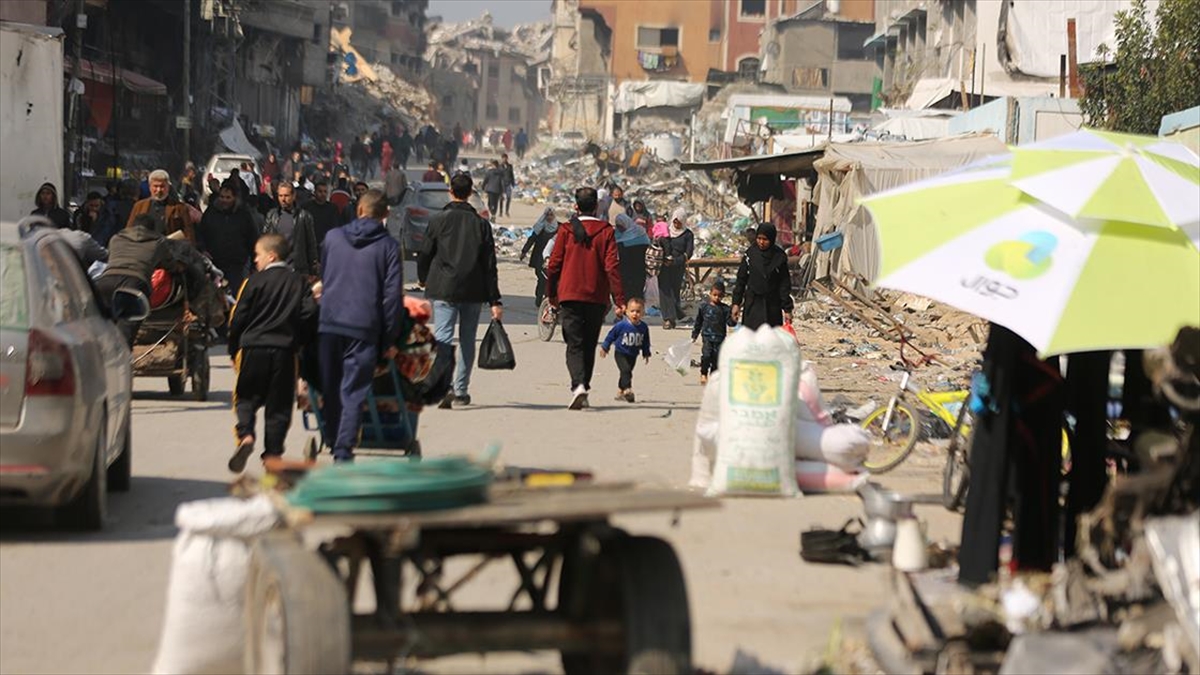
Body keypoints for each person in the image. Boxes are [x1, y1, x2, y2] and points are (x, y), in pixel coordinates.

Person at [317, 189, 403, 463]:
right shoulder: (389, 247)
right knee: (353, 391)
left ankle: (331, 437)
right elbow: (392, 298)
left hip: (329, 323)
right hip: (364, 328)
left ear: (358, 210)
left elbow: (325, 277)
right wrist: (388, 339)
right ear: (386, 215)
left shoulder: (332, 238)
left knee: (330, 387)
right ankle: (342, 450)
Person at [226, 233, 319, 472]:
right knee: (279, 407)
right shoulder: (299, 283)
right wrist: (299, 341)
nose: (255, 261)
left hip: (252, 349)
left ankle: (246, 435)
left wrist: (233, 347)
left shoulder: (253, 282)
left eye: (257, 255)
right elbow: (310, 314)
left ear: (271, 255)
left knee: (245, 398)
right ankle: (273, 456)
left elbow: (237, 318)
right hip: (284, 352)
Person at [417, 173, 503, 409]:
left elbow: (425, 253)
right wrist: (495, 299)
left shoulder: (438, 220)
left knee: (443, 338)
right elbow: (489, 265)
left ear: (451, 192)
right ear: (470, 194)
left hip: (443, 289)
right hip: (473, 291)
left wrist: (424, 279)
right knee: (467, 340)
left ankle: (445, 386)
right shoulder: (481, 224)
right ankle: (461, 390)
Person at [546, 186, 625, 410]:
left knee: (574, 344)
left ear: (575, 206)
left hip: (570, 295)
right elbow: (612, 267)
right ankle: (584, 386)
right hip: (596, 297)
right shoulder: (606, 231)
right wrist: (620, 299)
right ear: (598, 206)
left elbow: (554, 265)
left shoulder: (566, 230)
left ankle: (578, 386)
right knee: (589, 344)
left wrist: (551, 294)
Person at [94, 214, 170, 347]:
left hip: (105, 282)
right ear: (153, 229)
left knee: (103, 326)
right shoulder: (158, 242)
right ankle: (120, 363)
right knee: (126, 329)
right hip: (133, 284)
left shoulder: (115, 238)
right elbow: (170, 263)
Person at [196, 185, 259, 294]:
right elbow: (201, 234)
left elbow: (252, 238)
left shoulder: (243, 215)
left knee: (236, 294)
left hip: (236, 264)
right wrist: (203, 250)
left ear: (234, 198)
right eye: (222, 197)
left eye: (228, 197)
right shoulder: (211, 213)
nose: (224, 200)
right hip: (215, 263)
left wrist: (254, 262)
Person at [731, 222, 793, 330]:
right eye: (759, 238)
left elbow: (784, 284)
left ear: (772, 239)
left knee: (770, 341)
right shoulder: (750, 255)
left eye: (765, 239)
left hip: (772, 306)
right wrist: (736, 303)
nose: (761, 242)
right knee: (752, 339)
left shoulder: (779, 257)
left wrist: (787, 309)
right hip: (753, 304)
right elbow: (741, 280)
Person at [263, 182, 320, 278]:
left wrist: (313, 266)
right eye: (280, 196)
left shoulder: (303, 216)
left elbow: (311, 243)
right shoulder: (272, 215)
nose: (283, 199)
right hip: (277, 268)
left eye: (286, 195)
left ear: (293, 196)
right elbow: (265, 239)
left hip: (298, 268)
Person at [600, 297, 651, 403]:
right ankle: (628, 389)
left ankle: (620, 391)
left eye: (638, 311)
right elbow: (611, 336)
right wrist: (605, 347)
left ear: (643, 313)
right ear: (626, 312)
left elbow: (645, 341)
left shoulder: (643, 327)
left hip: (633, 354)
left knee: (626, 372)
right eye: (632, 311)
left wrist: (646, 353)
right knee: (626, 370)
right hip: (620, 352)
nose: (635, 314)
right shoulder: (621, 325)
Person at [128, 169, 194, 242]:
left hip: (169, 250)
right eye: (155, 186)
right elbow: (129, 230)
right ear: (150, 187)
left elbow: (189, 233)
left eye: (162, 186)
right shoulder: (139, 206)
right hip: (145, 250)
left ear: (168, 187)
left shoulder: (179, 208)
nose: (159, 190)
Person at [691, 280, 734, 384]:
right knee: (706, 356)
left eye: (719, 296)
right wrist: (694, 334)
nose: (716, 298)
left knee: (716, 358)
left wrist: (734, 318)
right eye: (714, 295)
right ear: (710, 293)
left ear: (723, 296)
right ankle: (704, 373)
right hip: (707, 337)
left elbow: (730, 323)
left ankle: (714, 377)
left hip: (720, 338)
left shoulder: (725, 309)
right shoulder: (704, 307)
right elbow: (698, 322)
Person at [658, 208, 694, 330]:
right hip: (663, 266)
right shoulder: (666, 231)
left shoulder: (688, 234)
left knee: (674, 292)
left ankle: (674, 316)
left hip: (677, 267)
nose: (676, 224)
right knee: (664, 292)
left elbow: (688, 253)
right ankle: (667, 318)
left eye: (679, 222)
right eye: (674, 222)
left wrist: (675, 261)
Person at [520, 206, 557, 307]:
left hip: (551, 257)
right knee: (541, 278)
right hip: (539, 257)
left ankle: (546, 297)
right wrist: (524, 251)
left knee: (549, 278)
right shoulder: (539, 227)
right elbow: (531, 239)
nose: (549, 217)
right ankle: (539, 296)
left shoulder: (559, 228)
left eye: (551, 215)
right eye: (547, 215)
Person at [302, 180, 344, 252]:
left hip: (327, 244)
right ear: (315, 192)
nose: (323, 194)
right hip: (309, 245)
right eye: (320, 191)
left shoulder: (332, 208)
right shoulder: (307, 207)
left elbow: (335, 226)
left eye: (325, 191)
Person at [500, 153, 515, 218]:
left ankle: (507, 211)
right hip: (502, 184)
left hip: (508, 183)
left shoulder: (510, 166)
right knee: (501, 198)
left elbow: (512, 175)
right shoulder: (500, 166)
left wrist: (513, 183)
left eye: (505, 158)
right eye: (503, 158)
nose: (504, 159)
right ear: (502, 159)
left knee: (509, 198)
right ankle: (500, 212)